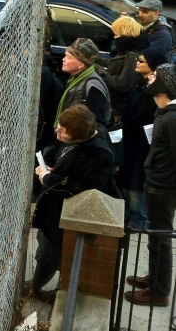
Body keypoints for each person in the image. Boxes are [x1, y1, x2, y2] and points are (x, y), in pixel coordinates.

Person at [31, 105, 115, 297]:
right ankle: (43, 283)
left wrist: (47, 178)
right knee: (47, 248)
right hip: (54, 211)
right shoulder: (91, 133)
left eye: (63, 131)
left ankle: (38, 289)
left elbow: (80, 186)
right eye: (59, 126)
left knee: (49, 253)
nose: (57, 131)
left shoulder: (99, 155)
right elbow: (72, 167)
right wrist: (54, 171)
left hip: (64, 215)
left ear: (79, 137)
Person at [126, 63, 176, 307]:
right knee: (155, 238)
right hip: (156, 184)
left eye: (155, 77)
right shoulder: (164, 113)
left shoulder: (172, 119)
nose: (149, 78)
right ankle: (154, 278)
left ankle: (159, 292)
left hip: (163, 189)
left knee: (161, 238)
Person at [119, 47, 166, 231]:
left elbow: (145, 116)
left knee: (137, 178)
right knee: (127, 173)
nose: (137, 63)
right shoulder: (140, 83)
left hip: (142, 142)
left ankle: (139, 217)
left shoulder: (156, 87)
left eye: (141, 61)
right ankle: (128, 213)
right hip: (131, 138)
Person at [55, 38, 111, 129]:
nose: (63, 59)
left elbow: (97, 123)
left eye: (68, 57)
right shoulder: (74, 79)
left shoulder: (92, 86)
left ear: (81, 64)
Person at [104, 16, 148, 121]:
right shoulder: (126, 52)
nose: (114, 38)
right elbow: (113, 63)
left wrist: (102, 72)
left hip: (117, 110)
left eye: (116, 34)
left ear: (125, 35)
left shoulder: (132, 56)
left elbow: (122, 85)